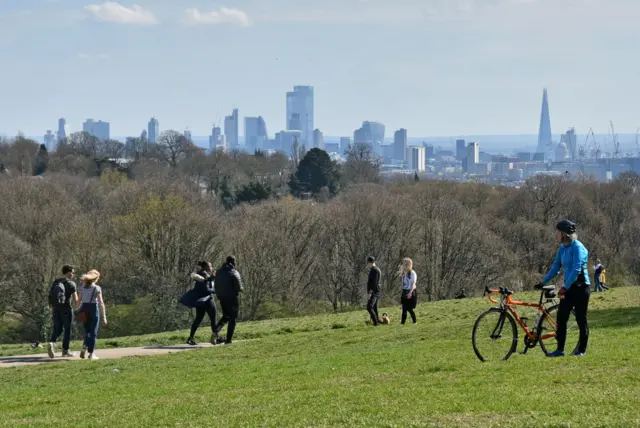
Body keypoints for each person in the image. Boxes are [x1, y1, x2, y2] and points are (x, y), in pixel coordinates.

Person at [536, 220, 591, 357]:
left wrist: (564, 287)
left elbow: (576, 269)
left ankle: (582, 350)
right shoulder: (562, 248)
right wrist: (543, 282)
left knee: (580, 318)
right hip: (569, 288)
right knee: (561, 318)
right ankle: (560, 349)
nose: (556, 234)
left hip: (581, 287)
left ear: (564, 234)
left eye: (558, 232)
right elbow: (555, 267)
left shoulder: (577, 248)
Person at [181, 261, 222, 346]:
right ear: (206, 267)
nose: (211, 268)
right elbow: (207, 290)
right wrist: (216, 291)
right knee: (213, 319)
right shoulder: (204, 275)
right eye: (210, 266)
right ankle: (216, 337)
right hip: (207, 300)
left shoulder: (200, 274)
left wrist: (212, 279)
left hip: (200, 301)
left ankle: (191, 338)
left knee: (198, 320)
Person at [47, 265, 79, 358]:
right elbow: (76, 300)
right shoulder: (71, 284)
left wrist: (52, 308)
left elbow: (50, 296)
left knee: (57, 328)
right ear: (68, 273)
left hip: (56, 309)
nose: (73, 274)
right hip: (66, 309)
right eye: (72, 273)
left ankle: (52, 343)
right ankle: (65, 351)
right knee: (67, 330)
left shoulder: (55, 282)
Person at [77, 269, 107, 360]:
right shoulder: (97, 288)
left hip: (83, 309)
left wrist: (78, 311)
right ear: (96, 278)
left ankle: (84, 347)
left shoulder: (82, 287)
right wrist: (104, 316)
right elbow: (101, 303)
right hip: (93, 309)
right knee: (93, 332)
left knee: (87, 331)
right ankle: (91, 353)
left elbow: (79, 300)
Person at [214, 256, 244, 345]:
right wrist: (241, 289)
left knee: (225, 316)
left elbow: (216, 285)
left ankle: (215, 332)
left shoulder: (219, 272)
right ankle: (228, 339)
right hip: (232, 298)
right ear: (233, 262)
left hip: (222, 298)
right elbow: (239, 287)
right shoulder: (234, 272)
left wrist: (219, 295)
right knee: (233, 318)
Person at [399, 257, 417, 325]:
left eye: (406, 263)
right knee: (404, 309)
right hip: (404, 291)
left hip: (410, 291)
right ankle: (402, 323)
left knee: (409, 308)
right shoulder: (404, 273)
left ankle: (414, 322)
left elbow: (413, 284)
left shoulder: (412, 273)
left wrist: (410, 293)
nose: (404, 265)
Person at [366, 256, 382, 326]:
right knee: (374, 307)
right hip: (375, 291)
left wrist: (370, 293)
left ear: (370, 262)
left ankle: (376, 323)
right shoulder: (374, 269)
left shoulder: (374, 270)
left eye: (367, 263)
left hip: (374, 292)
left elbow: (374, 283)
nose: (367, 264)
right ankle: (377, 321)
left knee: (369, 307)